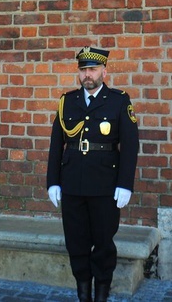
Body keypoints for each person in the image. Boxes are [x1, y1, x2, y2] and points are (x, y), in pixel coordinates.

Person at [46, 46, 140, 302]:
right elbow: (57, 144)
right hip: (73, 181)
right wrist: (53, 181)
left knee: (103, 243)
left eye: (93, 69)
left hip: (104, 184)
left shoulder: (119, 100)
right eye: (83, 70)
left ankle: (101, 293)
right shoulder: (67, 101)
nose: (88, 75)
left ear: (104, 71)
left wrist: (125, 184)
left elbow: (130, 145)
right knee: (75, 243)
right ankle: (83, 293)